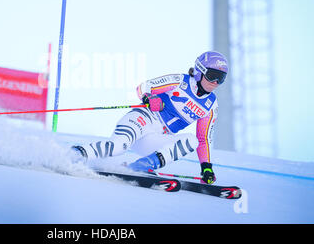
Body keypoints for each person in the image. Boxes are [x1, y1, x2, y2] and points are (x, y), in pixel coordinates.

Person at [71, 51, 229, 184]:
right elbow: (144, 87)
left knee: (192, 141)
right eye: (213, 75)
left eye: (221, 78)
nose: (216, 82)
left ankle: (140, 167)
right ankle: (75, 155)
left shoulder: (211, 105)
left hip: (155, 138)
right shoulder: (181, 81)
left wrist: (206, 167)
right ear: (200, 71)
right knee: (117, 147)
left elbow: (204, 138)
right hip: (143, 120)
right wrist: (149, 98)